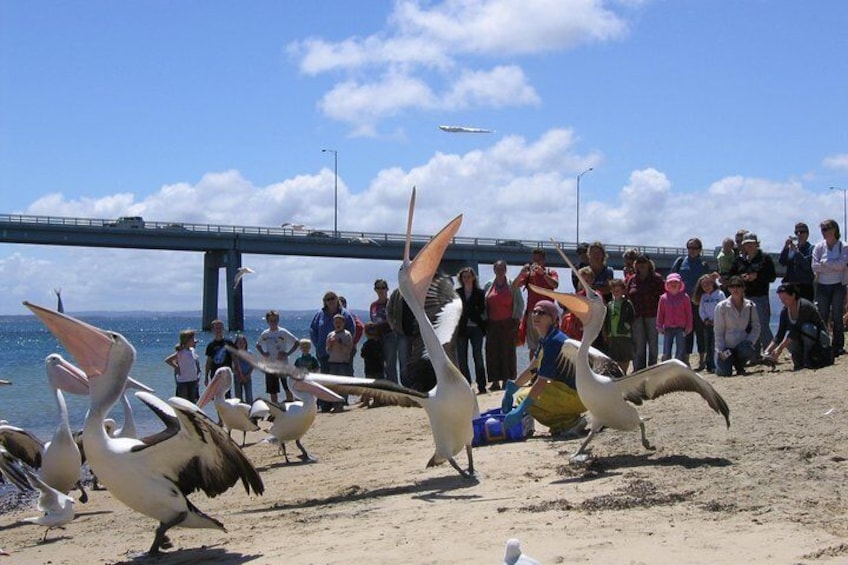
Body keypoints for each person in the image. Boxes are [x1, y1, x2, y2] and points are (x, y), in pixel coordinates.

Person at [501, 300, 587, 437]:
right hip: (572, 392)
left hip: (576, 395)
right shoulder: (547, 338)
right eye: (534, 312)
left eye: (542, 313)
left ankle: (570, 422)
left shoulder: (554, 342)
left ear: (553, 319)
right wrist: (511, 389)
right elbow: (533, 368)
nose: (536, 315)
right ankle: (563, 423)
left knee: (524, 398)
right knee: (524, 395)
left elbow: (541, 382)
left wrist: (520, 409)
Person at [764, 283, 831, 371]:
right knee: (788, 338)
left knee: (806, 328)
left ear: (793, 295)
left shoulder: (805, 306)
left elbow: (796, 330)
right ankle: (800, 360)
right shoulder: (785, 311)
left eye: (785, 298)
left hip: (819, 339)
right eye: (781, 299)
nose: (782, 301)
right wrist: (767, 351)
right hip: (801, 340)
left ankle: (808, 360)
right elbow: (779, 334)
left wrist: (780, 349)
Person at [729, 233, 776, 357]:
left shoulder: (765, 258)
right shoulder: (739, 260)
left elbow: (772, 277)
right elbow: (731, 277)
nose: (749, 246)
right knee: (748, 328)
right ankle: (754, 355)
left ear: (757, 244)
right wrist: (741, 278)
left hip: (760, 297)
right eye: (746, 244)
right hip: (744, 298)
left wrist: (757, 276)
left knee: (762, 326)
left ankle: (770, 352)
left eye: (751, 243)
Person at [483, 260, 524, 392]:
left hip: (508, 322)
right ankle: (495, 381)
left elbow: (520, 303)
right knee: (492, 352)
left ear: (506, 270)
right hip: (492, 323)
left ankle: (507, 380)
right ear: (494, 270)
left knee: (508, 352)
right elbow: (484, 303)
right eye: (498, 268)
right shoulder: (488, 285)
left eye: (502, 268)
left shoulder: (512, 284)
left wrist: (516, 320)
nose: (500, 271)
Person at [671, 237, 712, 370]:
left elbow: (707, 284)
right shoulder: (680, 261)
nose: (692, 250)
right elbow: (672, 279)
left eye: (695, 248)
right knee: (686, 332)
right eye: (689, 247)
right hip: (683, 302)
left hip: (699, 302)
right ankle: (686, 361)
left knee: (701, 332)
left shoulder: (704, 264)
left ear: (700, 249)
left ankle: (702, 360)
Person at [811, 219, 848, 357]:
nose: (825, 232)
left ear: (835, 230)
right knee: (822, 316)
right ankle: (822, 343)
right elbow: (814, 266)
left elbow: (842, 265)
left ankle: (838, 346)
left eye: (827, 229)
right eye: (823, 230)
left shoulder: (843, 246)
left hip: (838, 285)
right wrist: (832, 265)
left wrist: (825, 264)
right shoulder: (819, 247)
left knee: (837, 316)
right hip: (822, 286)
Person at [515, 248, 560, 355]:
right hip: (533, 313)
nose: (536, 263)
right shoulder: (529, 275)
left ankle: (547, 370)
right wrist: (521, 273)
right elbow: (516, 286)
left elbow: (555, 285)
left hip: (548, 315)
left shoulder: (551, 272)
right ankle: (533, 371)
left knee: (549, 345)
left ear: (544, 260)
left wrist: (543, 274)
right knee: (533, 347)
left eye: (538, 260)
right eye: (534, 260)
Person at [713, 276, 760, 377]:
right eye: (732, 286)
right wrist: (721, 349)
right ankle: (722, 362)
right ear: (728, 289)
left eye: (738, 286)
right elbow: (718, 330)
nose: (735, 289)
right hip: (726, 347)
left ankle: (740, 365)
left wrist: (750, 341)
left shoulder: (751, 305)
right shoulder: (721, 307)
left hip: (742, 345)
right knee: (724, 373)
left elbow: (756, 326)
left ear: (743, 288)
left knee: (748, 349)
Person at [626, 253, 665, 370]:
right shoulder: (632, 279)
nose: (641, 265)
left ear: (649, 264)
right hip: (637, 316)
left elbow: (664, 297)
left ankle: (653, 369)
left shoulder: (657, 278)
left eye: (644, 262)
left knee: (653, 345)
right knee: (639, 345)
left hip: (653, 315)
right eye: (639, 263)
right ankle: (639, 370)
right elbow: (627, 296)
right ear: (635, 265)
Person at [256, 310, 299, 403]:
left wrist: (287, 353)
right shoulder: (265, 333)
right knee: (272, 390)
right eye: (271, 320)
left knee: (287, 387)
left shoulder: (282, 332)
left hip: (283, 365)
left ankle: (290, 404)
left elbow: (296, 342)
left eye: (275, 320)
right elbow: (258, 345)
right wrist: (263, 353)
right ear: (268, 321)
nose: (273, 322)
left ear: (278, 320)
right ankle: (275, 409)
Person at [456, 266, 488, 393]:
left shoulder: (480, 293)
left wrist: (468, 311)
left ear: (473, 278)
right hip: (462, 329)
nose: (467, 279)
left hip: (476, 329)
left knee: (478, 357)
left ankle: (482, 385)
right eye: (464, 277)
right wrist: (470, 309)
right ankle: (466, 387)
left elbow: (481, 310)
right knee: (462, 359)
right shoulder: (457, 293)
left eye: (469, 277)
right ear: (461, 279)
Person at [310, 291, 356, 374]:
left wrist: (347, 344)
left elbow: (352, 330)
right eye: (328, 299)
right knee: (327, 381)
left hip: (341, 354)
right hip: (324, 353)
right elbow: (313, 330)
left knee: (343, 380)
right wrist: (318, 345)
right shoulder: (319, 314)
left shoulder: (345, 314)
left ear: (337, 299)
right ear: (325, 301)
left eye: (333, 298)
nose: (331, 301)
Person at [656, 273, 692, 363]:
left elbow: (689, 313)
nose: (673, 284)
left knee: (680, 349)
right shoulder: (663, 298)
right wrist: (659, 326)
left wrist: (689, 326)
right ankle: (666, 365)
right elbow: (660, 313)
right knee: (666, 349)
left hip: (681, 327)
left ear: (680, 284)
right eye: (670, 282)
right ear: (667, 284)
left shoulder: (685, 297)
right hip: (668, 327)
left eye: (676, 282)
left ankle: (678, 365)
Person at [369, 278, 398, 384]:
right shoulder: (373, 305)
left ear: (387, 289)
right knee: (379, 366)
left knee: (390, 366)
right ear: (375, 290)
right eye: (378, 288)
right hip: (377, 338)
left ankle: (394, 391)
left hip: (390, 336)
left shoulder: (391, 303)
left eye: (383, 287)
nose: (380, 290)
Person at [603, 278, 635, 374]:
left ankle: (623, 373)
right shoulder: (609, 305)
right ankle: (617, 374)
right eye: (614, 290)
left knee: (624, 357)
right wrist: (606, 332)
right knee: (614, 357)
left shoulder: (627, 304)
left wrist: (626, 327)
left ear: (623, 290)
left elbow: (632, 317)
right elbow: (606, 319)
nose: (616, 292)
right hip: (613, 335)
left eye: (618, 290)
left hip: (624, 335)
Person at [694, 274, 724, 373]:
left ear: (712, 283)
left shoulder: (719, 294)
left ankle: (717, 364)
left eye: (708, 284)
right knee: (708, 344)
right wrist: (705, 319)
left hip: (718, 324)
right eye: (704, 285)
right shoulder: (703, 297)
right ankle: (709, 365)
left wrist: (717, 320)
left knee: (715, 345)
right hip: (707, 324)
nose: (706, 287)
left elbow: (724, 307)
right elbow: (701, 310)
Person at [779, 222, 815, 302]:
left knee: (805, 310)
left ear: (807, 234)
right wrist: (785, 247)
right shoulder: (791, 249)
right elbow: (782, 262)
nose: (799, 234)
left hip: (805, 286)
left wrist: (797, 252)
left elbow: (807, 265)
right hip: (791, 285)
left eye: (802, 232)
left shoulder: (812, 249)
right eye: (797, 232)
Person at [325, 313, 353, 413]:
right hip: (332, 362)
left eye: (340, 322)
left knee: (342, 385)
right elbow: (327, 351)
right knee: (334, 385)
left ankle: (341, 404)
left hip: (342, 362)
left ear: (343, 323)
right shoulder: (330, 335)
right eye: (336, 322)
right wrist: (330, 344)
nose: (338, 324)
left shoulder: (347, 334)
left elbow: (349, 350)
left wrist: (341, 344)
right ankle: (335, 404)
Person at [165, 329, 201, 402]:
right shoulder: (181, 352)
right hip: (183, 382)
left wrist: (198, 375)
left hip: (193, 380)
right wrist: (176, 367)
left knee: (193, 401)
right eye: (192, 339)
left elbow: (195, 364)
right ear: (187, 341)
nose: (194, 341)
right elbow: (168, 360)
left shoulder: (192, 350)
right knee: (183, 402)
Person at [205, 319, 236, 395]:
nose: (218, 330)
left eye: (220, 328)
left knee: (227, 396)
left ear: (223, 329)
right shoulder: (211, 345)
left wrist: (237, 371)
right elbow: (208, 361)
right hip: (215, 374)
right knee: (216, 396)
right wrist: (206, 376)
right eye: (216, 328)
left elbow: (234, 358)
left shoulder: (229, 343)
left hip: (226, 374)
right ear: (212, 330)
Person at [358, 323, 385, 408]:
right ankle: (373, 401)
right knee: (376, 385)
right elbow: (382, 355)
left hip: (370, 369)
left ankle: (370, 401)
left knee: (370, 386)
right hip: (378, 368)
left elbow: (362, 354)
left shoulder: (366, 344)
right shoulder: (379, 343)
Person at [338, 296, 364, 376]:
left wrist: (352, 342)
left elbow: (360, 327)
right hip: (339, 348)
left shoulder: (348, 315)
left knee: (347, 371)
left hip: (348, 347)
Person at [231, 333, 254, 403]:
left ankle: (250, 411)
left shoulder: (249, 353)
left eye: (243, 343)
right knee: (238, 398)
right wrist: (238, 374)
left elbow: (253, 365)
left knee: (249, 397)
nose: (241, 344)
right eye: (239, 343)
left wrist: (248, 375)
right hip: (238, 377)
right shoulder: (234, 354)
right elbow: (231, 366)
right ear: (236, 344)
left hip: (247, 376)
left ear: (245, 344)